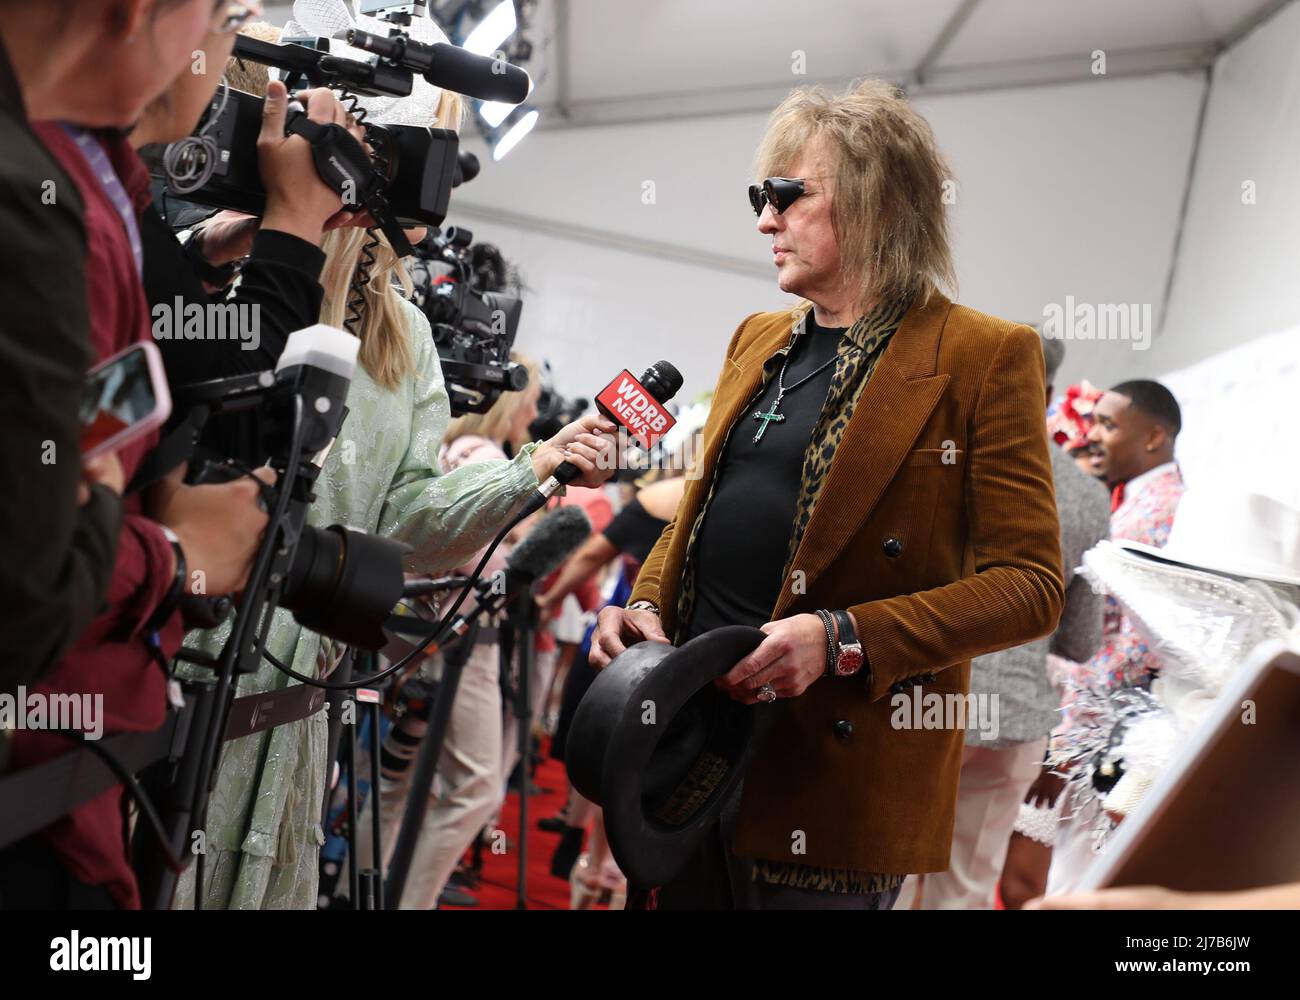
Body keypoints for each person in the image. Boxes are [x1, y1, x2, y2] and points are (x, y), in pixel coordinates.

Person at [591, 79, 1064, 910]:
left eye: (787, 195)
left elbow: (1030, 587)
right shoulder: (759, 337)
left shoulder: (984, 355)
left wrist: (842, 638)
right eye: (760, 198)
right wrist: (645, 606)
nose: (764, 221)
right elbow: (700, 513)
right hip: (690, 744)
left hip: (832, 772)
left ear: (879, 203)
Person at [173, 34, 618, 908]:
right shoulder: (226, 262)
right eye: (422, 155)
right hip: (185, 679)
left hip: (297, 711)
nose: (435, 192)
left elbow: (408, 519)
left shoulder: (404, 334)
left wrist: (533, 468)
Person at [0, 0, 273, 910]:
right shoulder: (40, 201)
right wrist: (175, 552)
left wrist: (99, 493)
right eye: (231, 15)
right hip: (35, 799)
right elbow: (24, 595)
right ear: (143, 12)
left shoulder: (86, 181)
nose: (220, 51)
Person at [897, 336, 1109, 910]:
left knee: (885, 880)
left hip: (922, 704)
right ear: (1047, 393)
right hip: (1016, 718)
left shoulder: (936, 461)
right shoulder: (1089, 496)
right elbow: (1081, 641)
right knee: (964, 890)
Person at [1006, 379, 1185, 906]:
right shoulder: (1138, 500)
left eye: (1108, 425)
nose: (1094, 436)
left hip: (1100, 738)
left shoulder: (1160, 511)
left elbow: (1131, 647)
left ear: (1153, 436)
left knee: (1055, 885)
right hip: (1087, 725)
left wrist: (1063, 745)